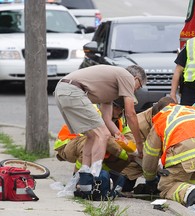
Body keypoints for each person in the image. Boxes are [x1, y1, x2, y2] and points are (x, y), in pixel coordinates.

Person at [54, 64, 146, 198]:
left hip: (63, 90)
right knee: (103, 134)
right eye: (140, 85)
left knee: (92, 136)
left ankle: (85, 176)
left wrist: (124, 141)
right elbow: (131, 114)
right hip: (72, 91)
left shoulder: (109, 91)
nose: (137, 89)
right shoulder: (126, 76)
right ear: (136, 78)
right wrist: (139, 144)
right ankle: (95, 175)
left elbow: (107, 120)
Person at [142, 102, 195, 207]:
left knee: (166, 186)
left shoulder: (160, 119)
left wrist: (150, 178)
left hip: (185, 150)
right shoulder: (192, 111)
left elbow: (150, 155)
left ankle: (188, 193)